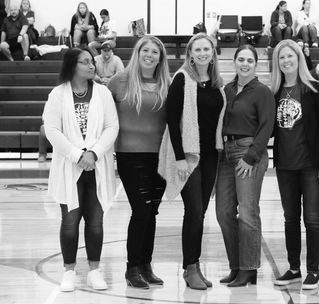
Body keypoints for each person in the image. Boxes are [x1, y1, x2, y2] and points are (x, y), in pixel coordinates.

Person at [42, 47, 119, 292]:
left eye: (91, 61)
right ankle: (69, 271)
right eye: (85, 62)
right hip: (70, 167)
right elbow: (52, 130)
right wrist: (77, 155)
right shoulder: (57, 95)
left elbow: (112, 126)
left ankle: (94, 271)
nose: (91, 65)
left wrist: (94, 153)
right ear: (73, 65)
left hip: (97, 166)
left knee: (95, 222)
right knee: (70, 221)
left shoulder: (103, 93)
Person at [158, 33, 226, 290]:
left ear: (212, 53)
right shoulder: (182, 80)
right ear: (190, 54)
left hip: (210, 156)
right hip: (189, 156)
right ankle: (190, 267)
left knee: (200, 213)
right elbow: (172, 122)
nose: (202, 53)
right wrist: (179, 159)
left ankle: (194, 265)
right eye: (197, 49)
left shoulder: (218, 83)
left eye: (206, 49)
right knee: (195, 211)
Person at [107, 35, 170, 289]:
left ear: (160, 57)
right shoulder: (119, 81)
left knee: (151, 212)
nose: (150, 55)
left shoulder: (167, 83)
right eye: (146, 50)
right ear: (137, 52)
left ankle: (146, 265)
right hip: (129, 156)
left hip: (159, 156)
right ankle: (132, 267)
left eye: (155, 52)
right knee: (141, 210)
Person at [271, 39, 319, 290]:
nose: (286, 61)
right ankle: (294, 268)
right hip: (285, 165)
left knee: (312, 217)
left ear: (299, 58)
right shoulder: (273, 92)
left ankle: (312, 271)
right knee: (289, 218)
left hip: (311, 163)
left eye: (290, 56)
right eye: (281, 58)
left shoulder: (315, 88)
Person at [215, 44, 275, 288]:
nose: (245, 64)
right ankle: (236, 266)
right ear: (234, 62)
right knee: (224, 213)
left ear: (256, 64)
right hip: (225, 154)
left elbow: (267, 126)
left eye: (250, 60)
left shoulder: (262, 92)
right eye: (241, 59)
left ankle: (249, 269)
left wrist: (251, 157)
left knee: (248, 212)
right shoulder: (226, 89)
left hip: (249, 152)